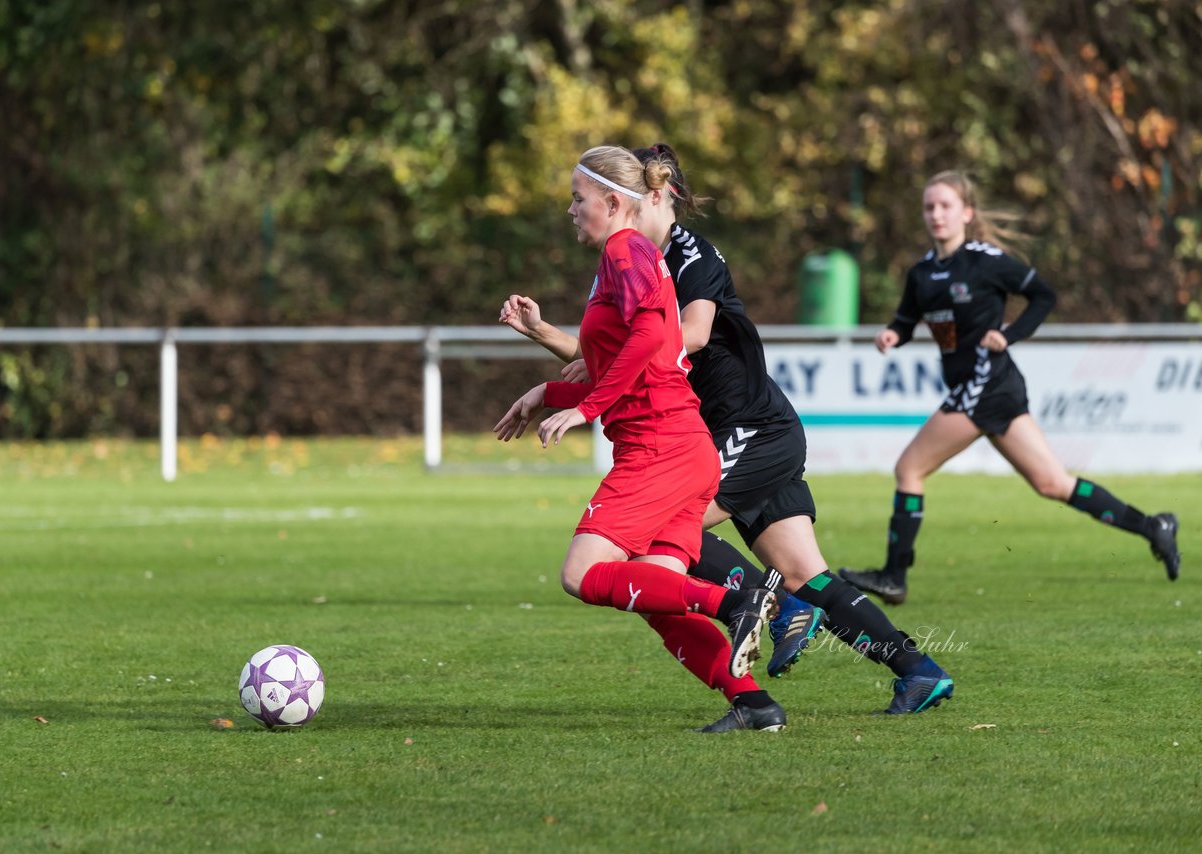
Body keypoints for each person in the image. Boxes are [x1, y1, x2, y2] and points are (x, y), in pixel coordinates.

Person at [501, 142, 955, 719]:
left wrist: (591, 388)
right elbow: (613, 352)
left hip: (746, 427)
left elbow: (682, 338)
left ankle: (759, 605)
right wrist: (548, 346)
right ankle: (916, 669)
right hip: (716, 430)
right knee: (803, 574)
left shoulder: (690, 257)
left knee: (651, 540)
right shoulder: (631, 261)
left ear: (652, 195)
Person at [494, 144, 784, 733]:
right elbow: (631, 370)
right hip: (684, 446)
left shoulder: (626, 250)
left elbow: (653, 334)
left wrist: (586, 410)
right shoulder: (626, 257)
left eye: (578, 199)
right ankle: (755, 705)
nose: (571, 210)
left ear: (611, 201)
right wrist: (550, 394)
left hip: (661, 450)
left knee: (581, 574)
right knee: (658, 596)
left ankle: (735, 603)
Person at [840, 170, 1181, 605]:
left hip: (986, 385)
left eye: (945, 206)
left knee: (909, 469)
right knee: (1053, 483)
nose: (936, 214)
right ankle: (1154, 527)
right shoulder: (923, 273)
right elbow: (907, 320)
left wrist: (1010, 334)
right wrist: (893, 335)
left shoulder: (986, 260)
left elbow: (1043, 296)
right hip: (987, 390)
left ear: (967, 212)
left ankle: (894, 576)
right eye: (929, 207)